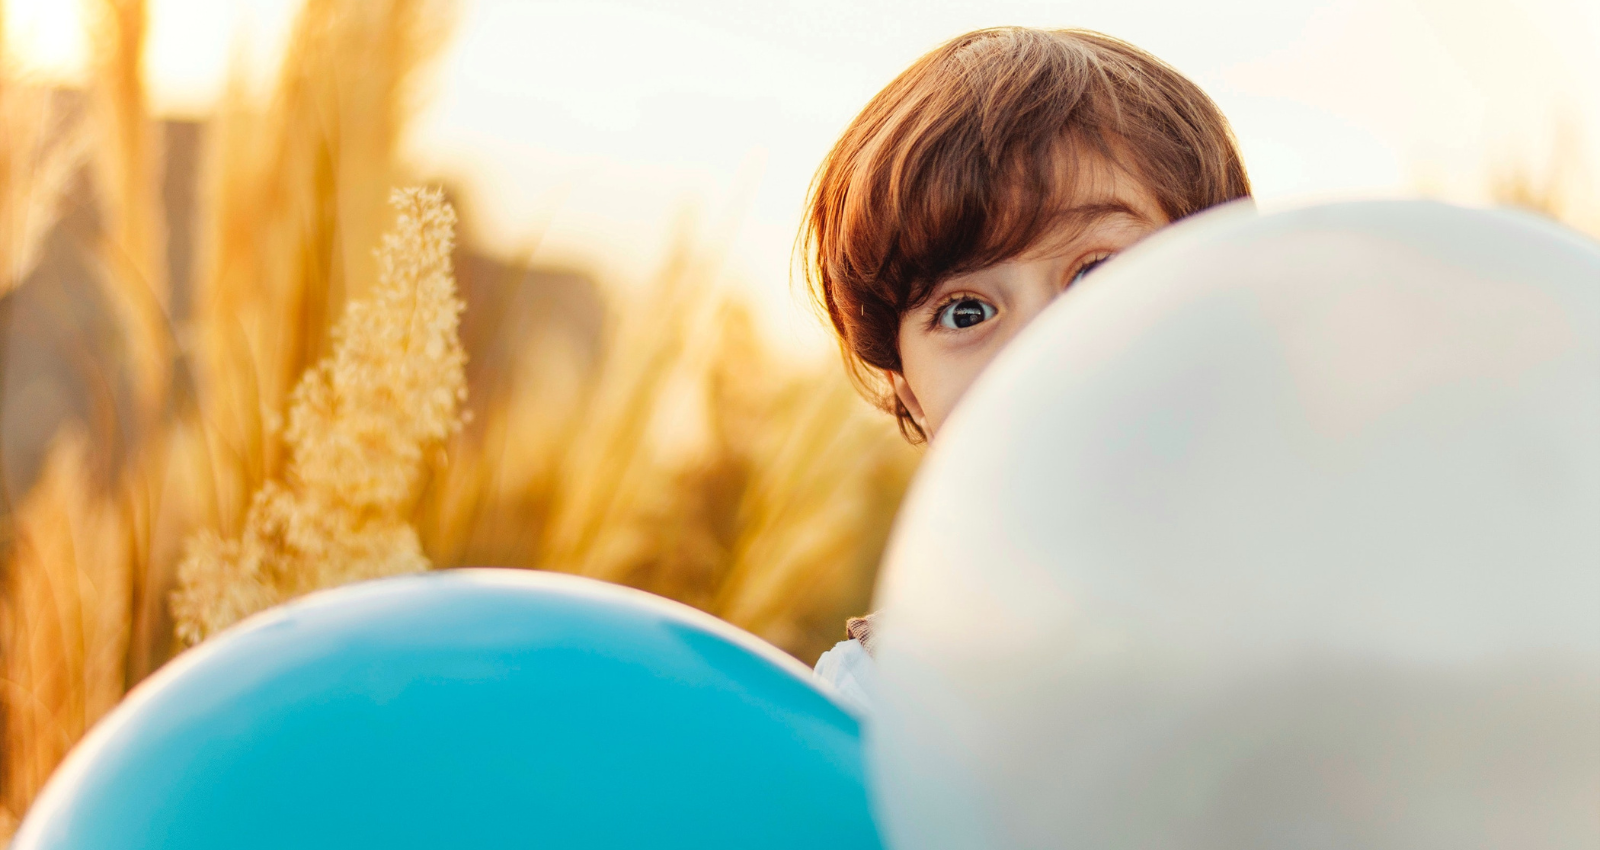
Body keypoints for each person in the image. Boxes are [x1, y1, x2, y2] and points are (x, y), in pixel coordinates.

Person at [802, 26, 1252, 711]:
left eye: (1099, 271)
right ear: (908, 390)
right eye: (965, 313)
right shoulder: (877, 701)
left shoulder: (1326, 620)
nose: (1041, 346)